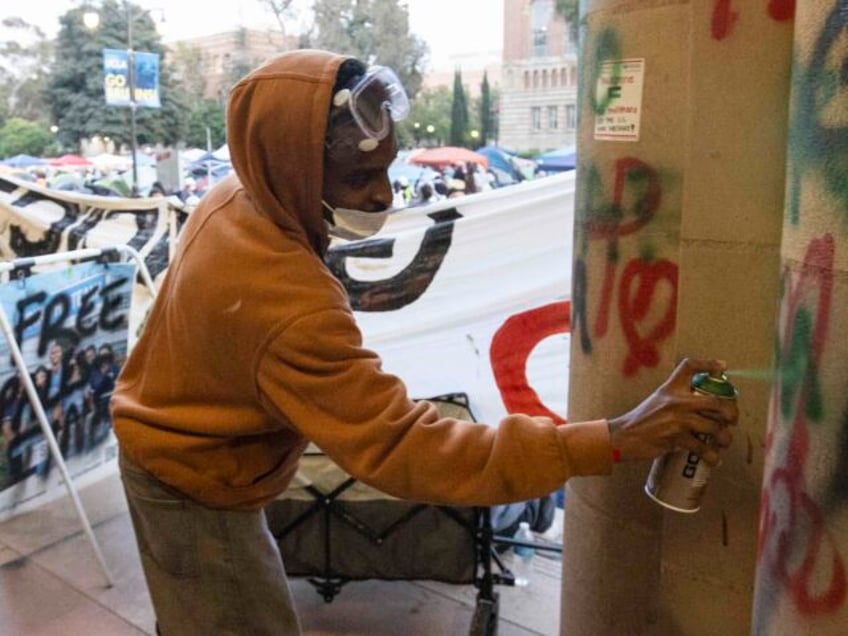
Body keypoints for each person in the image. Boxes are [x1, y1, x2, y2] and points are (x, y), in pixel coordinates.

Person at [111, 50, 737, 635]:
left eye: (387, 167)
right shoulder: (286, 299)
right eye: (360, 176)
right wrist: (615, 437)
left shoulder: (239, 194)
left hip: (172, 455)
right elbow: (412, 451)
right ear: (294, 170)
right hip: (192, 486)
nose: (384, 194)